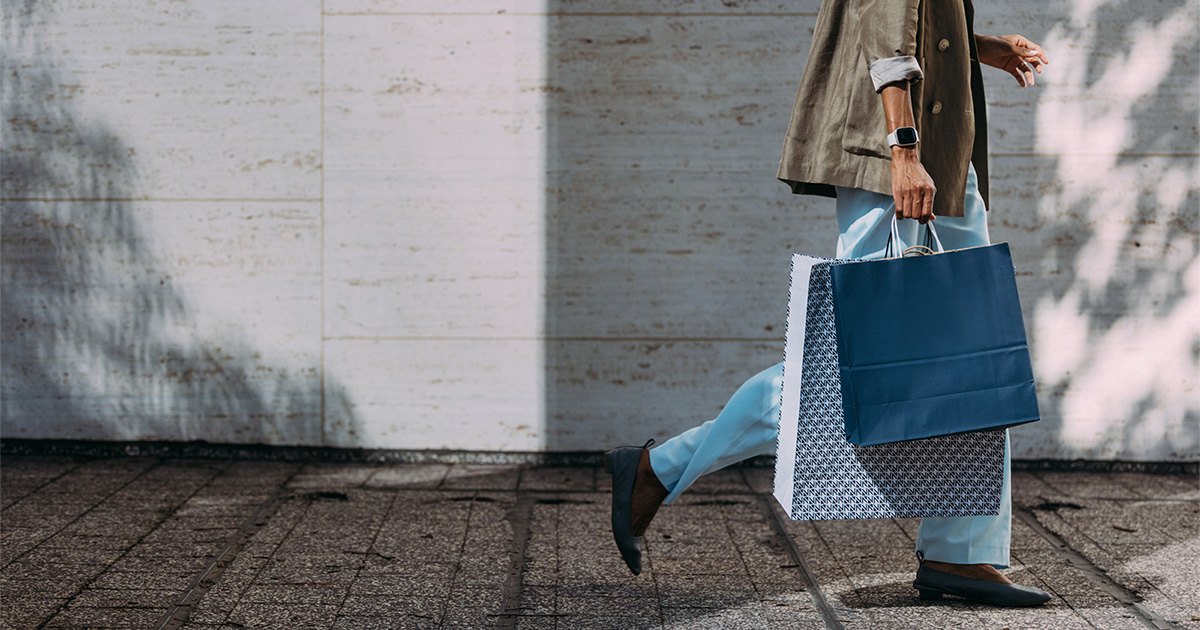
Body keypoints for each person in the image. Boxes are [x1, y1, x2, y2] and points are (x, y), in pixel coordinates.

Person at [605, 0, 1054, 607]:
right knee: (856, 361)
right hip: (894, 152)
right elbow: (885, 25)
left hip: (944, 147)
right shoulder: (899, 149)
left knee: (969, 349)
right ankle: (657, 470)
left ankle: (962, 551)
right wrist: (903, 149)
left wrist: (984, 45)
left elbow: (917, 21)